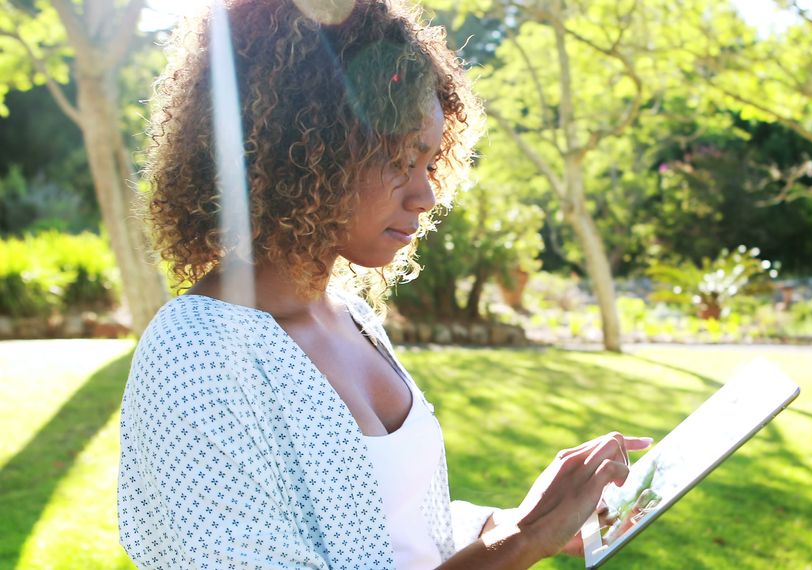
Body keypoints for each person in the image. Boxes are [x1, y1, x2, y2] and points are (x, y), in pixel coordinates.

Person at [117, 0, 650, 568]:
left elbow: (390, 527)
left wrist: (517, 519)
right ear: (302, 148)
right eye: (399, 159)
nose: (425, 196)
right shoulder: (196, 357)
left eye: (430, 162)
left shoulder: (349, 316)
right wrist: (520, 544)